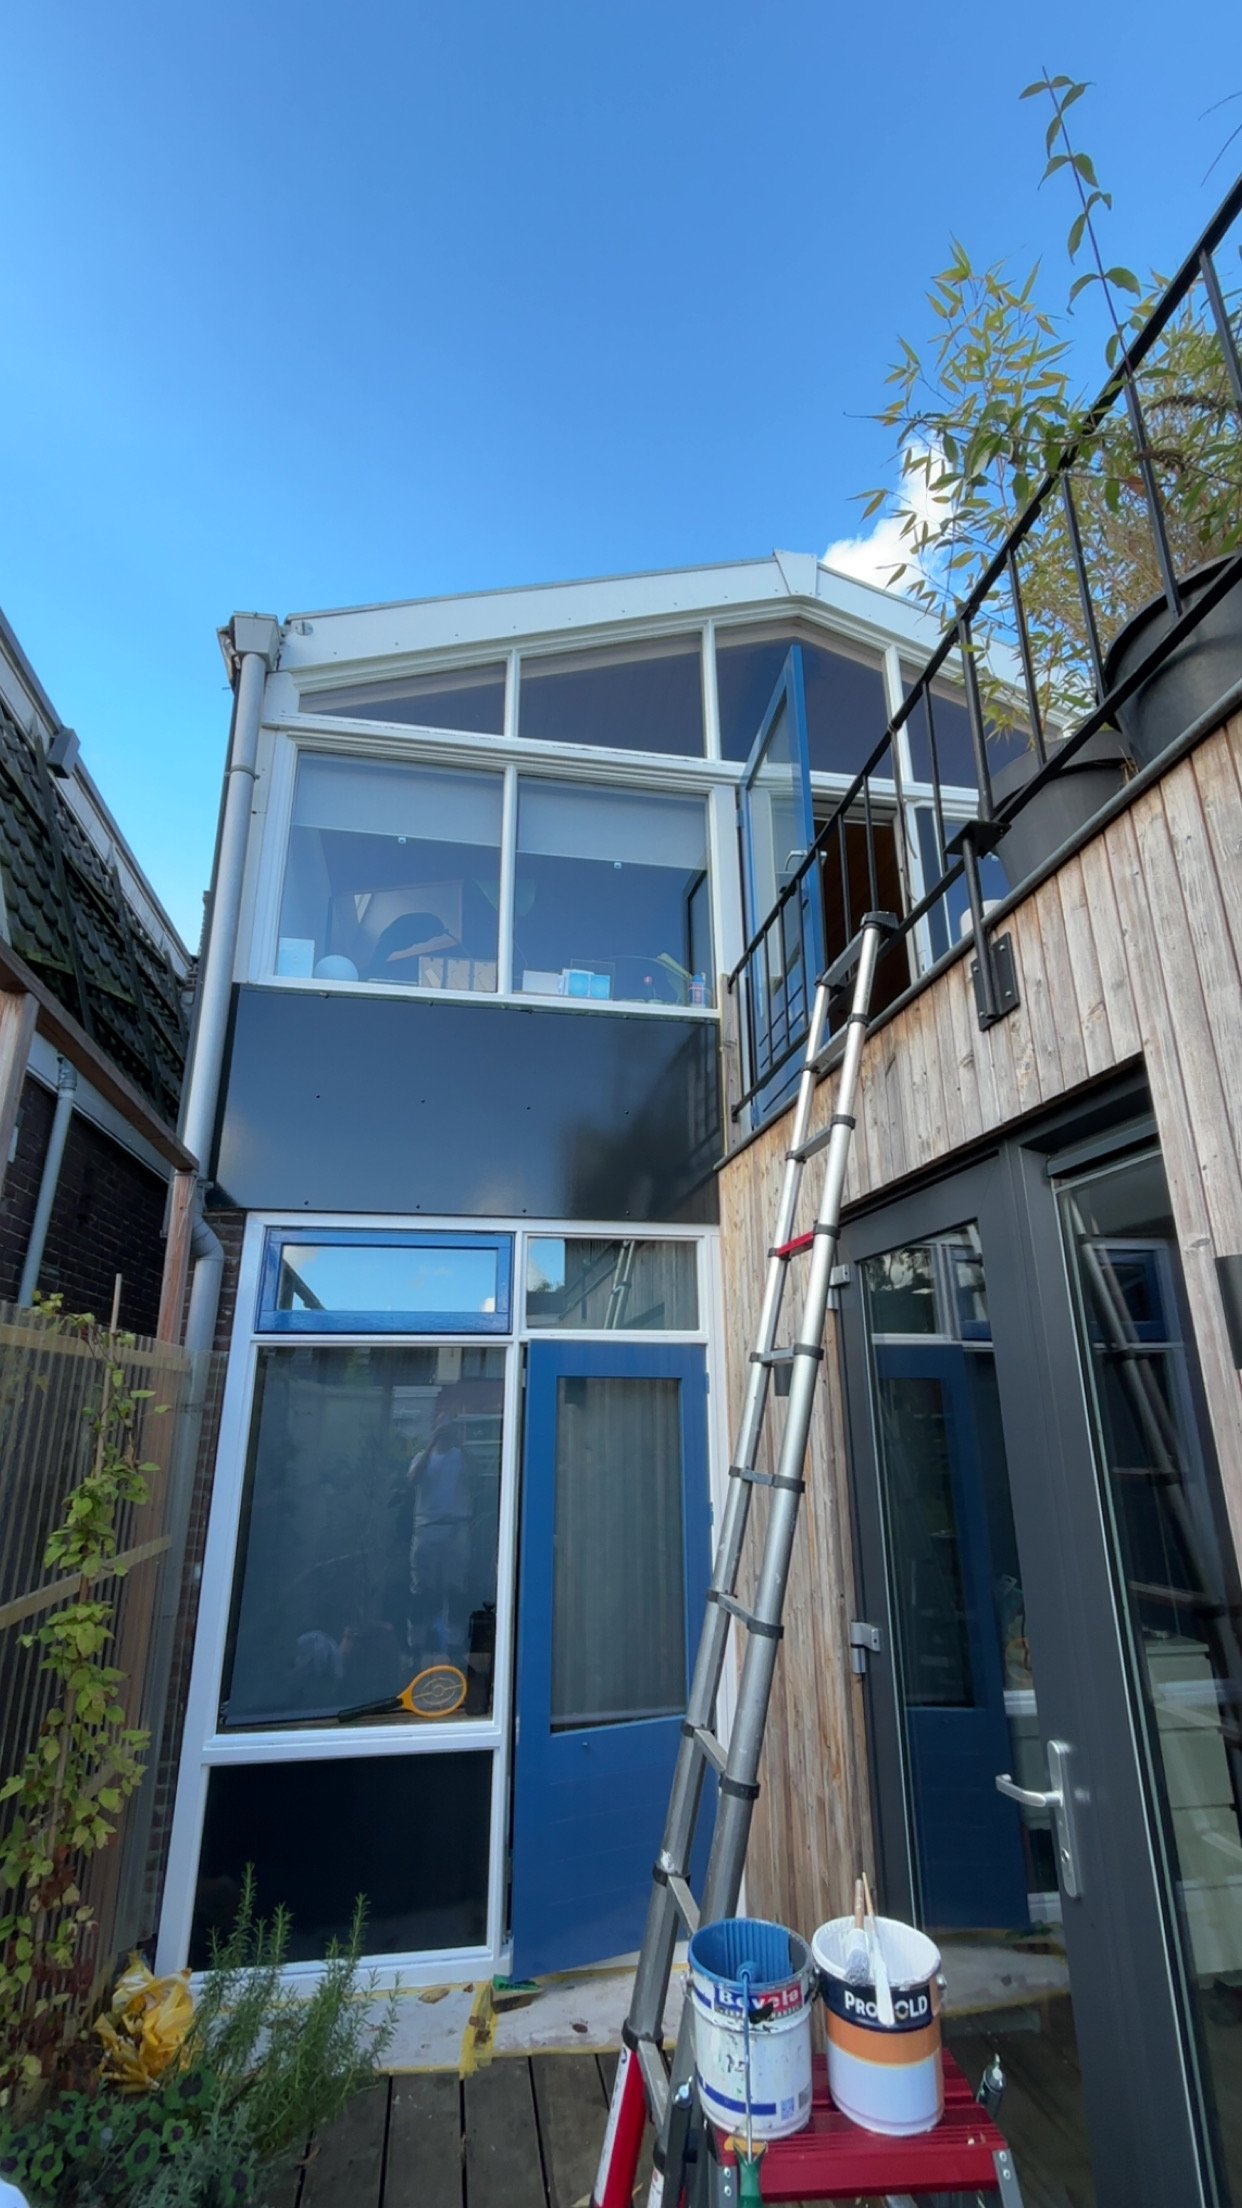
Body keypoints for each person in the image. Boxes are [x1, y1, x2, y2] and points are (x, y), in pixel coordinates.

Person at [407, 1415, 471, 1667]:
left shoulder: (460, 1458)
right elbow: (413, 1479)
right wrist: (432, 1443)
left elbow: (476, 1474)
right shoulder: (421, 1458)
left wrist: (461, 1443)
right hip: (427, 1528)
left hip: (456, 1527)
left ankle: (454, 1644)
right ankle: (416, 1644)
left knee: (455, 1587)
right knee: (422, 1587)